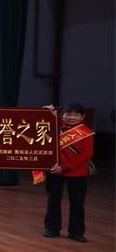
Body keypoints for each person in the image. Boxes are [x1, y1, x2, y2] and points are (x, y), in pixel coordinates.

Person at [40, 103, 94, 242]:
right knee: (53, 201)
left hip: (77, 172)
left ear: (82, 117)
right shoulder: (54, 128)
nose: (72, 117)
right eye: (68, 114)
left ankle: (76, 232)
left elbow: (85, 155)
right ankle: (52, 228)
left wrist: (64, 167)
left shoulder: (87, 133)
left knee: (77, 203)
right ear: (62, 115)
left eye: (76, 114)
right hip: (54, 171)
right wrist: (49, 112)